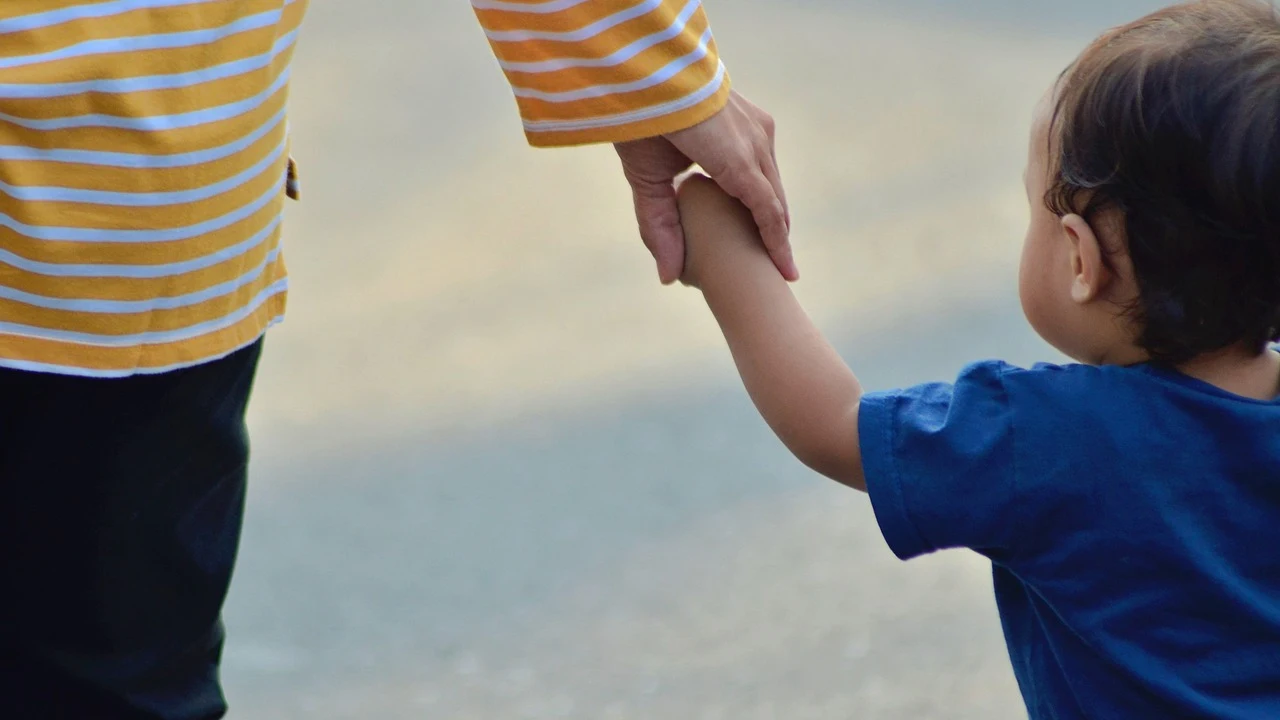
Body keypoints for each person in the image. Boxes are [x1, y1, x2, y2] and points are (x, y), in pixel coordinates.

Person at [0, 2, 789, 718]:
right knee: (102, 681)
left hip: (99, 185)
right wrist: (646, 66)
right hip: (105, 175)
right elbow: (838, 426)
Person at [675, 0, 1280, 716]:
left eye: (1032, 210)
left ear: (1082, 260)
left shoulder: (1050, 436)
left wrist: (723, 253)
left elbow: (834, 425)